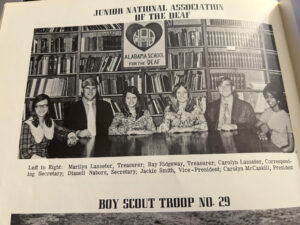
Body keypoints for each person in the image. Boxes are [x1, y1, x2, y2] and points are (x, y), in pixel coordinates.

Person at [19, 94, 78, 159]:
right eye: (38, 106)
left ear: (48, 107)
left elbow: (62, 131)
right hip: (33, 162)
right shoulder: (27, 124)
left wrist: (71, 136)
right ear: (34, 108)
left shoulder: (49, 122)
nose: (41, 108)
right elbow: (24, 153)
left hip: (46, 160)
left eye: (45, 105)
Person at [256, 82, 294, 152]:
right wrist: (260, 132)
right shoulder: (267, 111)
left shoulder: (286, 116)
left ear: (278, 98)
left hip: (283, 149)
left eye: (272, 97)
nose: (269, 100)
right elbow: (255, 125)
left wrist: (278, 152)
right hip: (271, 146)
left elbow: (290, 147)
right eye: (267, 97)